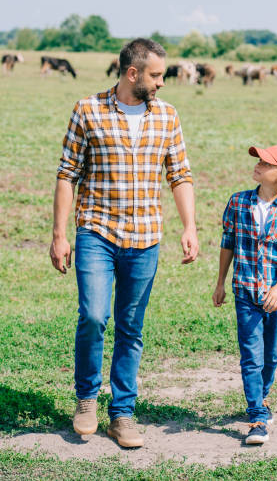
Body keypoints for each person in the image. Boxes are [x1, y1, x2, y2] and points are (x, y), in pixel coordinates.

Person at [49, 38, 198, 448]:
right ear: (133, 74)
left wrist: (190, 227)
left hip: (145, 237)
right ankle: (86, 400)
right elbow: (67, 174)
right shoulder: (88, 109)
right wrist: (60, 235)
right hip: (96, 233)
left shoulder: (167, 116)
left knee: (131, 327)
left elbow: (180, 175)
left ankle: (123, 413)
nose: (162, 83)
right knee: (94, 317)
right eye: (156, 75)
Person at [212, 145, 277, 445]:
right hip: (246, 292)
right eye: (259, 160)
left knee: (272, 356)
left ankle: (261, 398)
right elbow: (228, 242)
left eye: (267, 163)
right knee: (251, 357)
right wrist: (220, 282)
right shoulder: (238, 203)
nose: (259, 164)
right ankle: (256, 419)